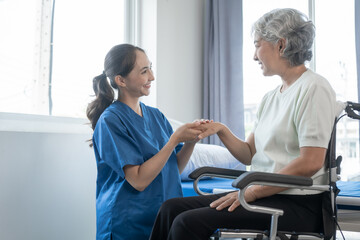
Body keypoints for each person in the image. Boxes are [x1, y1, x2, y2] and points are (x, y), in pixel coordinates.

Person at [149, 8, 339, 240]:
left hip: (298, 203)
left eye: (257, 44)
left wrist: (252, 192)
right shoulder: (271, 97)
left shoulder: (314, 88)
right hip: (266, 195)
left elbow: (310, 162)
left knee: (187, 223)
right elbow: (249, 154)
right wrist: (221, 130)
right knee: (170, 208)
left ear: (281, 45)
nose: (254, 56)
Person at [86, 44, 205, 240]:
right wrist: (174, 139)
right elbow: (138, 180)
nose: (152, 76)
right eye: (144, 71)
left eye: (150, 68)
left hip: (161, 218)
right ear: (121, 80)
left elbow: (174, 167)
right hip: (126, 223)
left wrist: (191, 141)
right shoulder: (111, 121)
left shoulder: (156, 116)